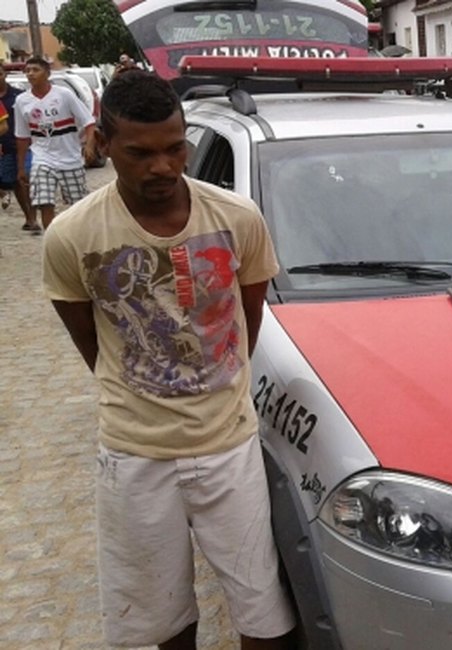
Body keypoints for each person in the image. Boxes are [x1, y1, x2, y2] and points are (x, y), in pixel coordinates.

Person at [41, 70, 296, 649]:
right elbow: (92, 341)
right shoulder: (72, 236)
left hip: (229, 446)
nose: (161, 166)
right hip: (135, 456)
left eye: (174, 148)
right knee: (160, 616)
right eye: (140, 152)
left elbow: (247, 321)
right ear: (104, 145)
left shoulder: (236, 218)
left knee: (263, 613)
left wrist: (212, 387)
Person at [13, 56, 97, 233]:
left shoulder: (64, 95)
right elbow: (22, 137)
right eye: (27, 71)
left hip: (70, 158)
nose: (30, 74)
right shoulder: (22, 101)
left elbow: (89, 122)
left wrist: (89, 146)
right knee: (45, 201)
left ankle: (80, 238)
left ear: (47, 73)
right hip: (42, 159)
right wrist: (21, 167)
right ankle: (52, 241)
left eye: (35, 70)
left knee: (79, 205)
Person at [0, 66, 33, 225]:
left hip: (23, 143)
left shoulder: (18, 96)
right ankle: (27, 215)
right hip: (3, 148)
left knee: (25, 178)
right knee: (14, 182)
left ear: (4, 74)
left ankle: (32, 218)